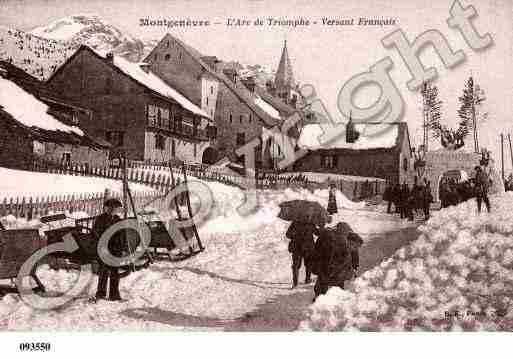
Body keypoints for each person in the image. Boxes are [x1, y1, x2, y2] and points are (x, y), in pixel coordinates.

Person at [312, 222, 355, 299]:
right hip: (337, 268)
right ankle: (336, 299)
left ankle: (318, 298)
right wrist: (350, 270)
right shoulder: (345, 240)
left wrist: (315, 264)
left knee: (322, 282)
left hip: (324, 265)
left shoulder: (325, 235)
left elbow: (316, 250)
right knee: (338, 284)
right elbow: (348, 257)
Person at [93, 198, 124, 301]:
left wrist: (121, 248)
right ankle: (101, 293)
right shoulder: (100, 219)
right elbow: (96, 233)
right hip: (104, 248)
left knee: (115, 273)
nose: (112, 210)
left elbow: (121, 235)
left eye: (114, 208)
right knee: (103, 271)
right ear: (106, 208)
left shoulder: (118, 220)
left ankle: (114, 295)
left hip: (115, 249)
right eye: (110, 208)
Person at [286, 220, 320, 288]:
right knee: (308, 264)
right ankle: (307, 279)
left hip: (297, 247)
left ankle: (295, 283)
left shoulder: (295, 223)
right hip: (308, 247)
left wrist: (295, 235)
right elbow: (317, 233)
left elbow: (288, 235)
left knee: (296, 265)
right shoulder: (310, 223)